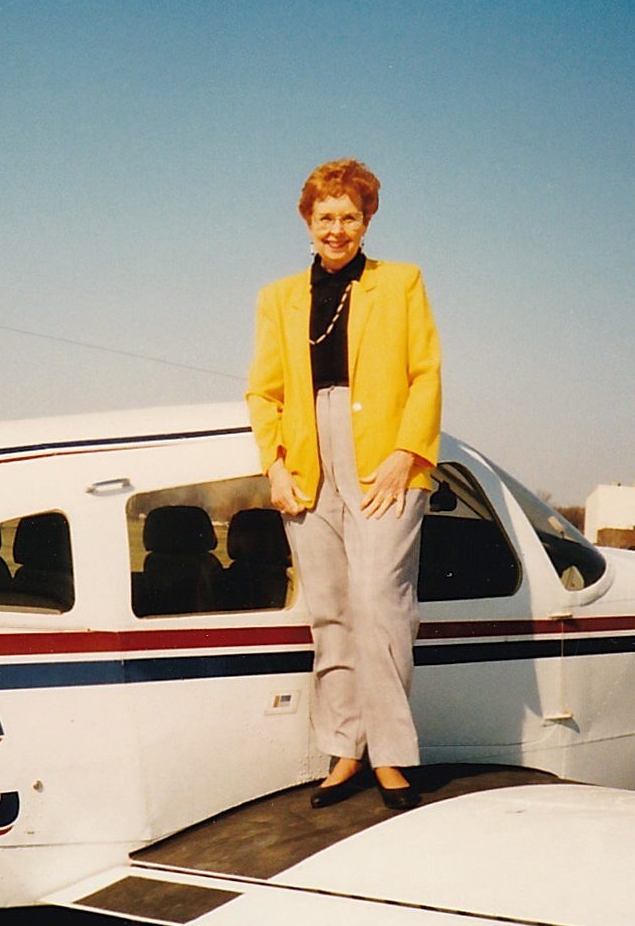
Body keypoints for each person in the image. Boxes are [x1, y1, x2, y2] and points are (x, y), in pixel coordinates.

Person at [246, 158, 440, 810]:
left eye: (349, 217)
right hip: (307, 458)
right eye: (325, 217)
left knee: (379, 598)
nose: (337, 229)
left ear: (366, 222)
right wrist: (274, 466)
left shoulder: (402, 283)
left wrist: (405, 453)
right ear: (308, 222)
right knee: (329, 608)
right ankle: (345, 748)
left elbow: (426, 374)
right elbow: (264, 390)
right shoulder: (278, 298)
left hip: (386, 460)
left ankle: (390, 754)